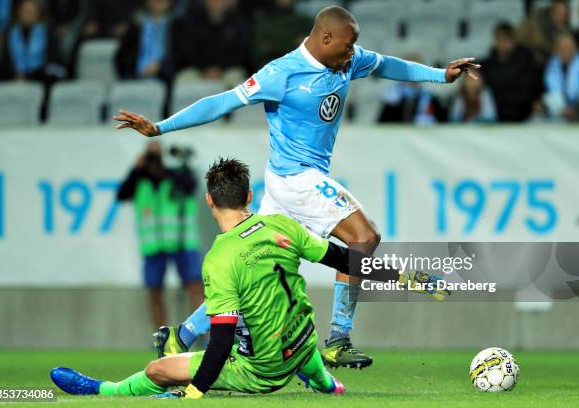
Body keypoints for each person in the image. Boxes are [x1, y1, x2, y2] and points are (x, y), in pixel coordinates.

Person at [113, 6, 474, 369]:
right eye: (348, 46)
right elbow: (222, 102)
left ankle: (180, 335)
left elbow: (386, 65)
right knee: (364, 238)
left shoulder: (347, 60)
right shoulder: (281, 73)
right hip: (296, 178)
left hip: (283, 183)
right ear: (325, 38)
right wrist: (161, 127)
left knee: (258, 267)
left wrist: (441, 75)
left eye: (355, 47)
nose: (353, 54)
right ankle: (338, 338)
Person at [50, 157, 351, 399]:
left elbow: (220, 342)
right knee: (286, 326)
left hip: (262, 369)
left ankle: (103, 388)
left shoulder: (220, 259)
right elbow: (344, 260)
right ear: (249, 196)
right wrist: (396, 275)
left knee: (158, 369)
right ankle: (328, 384)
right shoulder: (282, 226)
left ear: (209, 201)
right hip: (301, 344)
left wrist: (193, 392)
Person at [116, 141, 203, 329]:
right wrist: (136, 168)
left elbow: (191, 185)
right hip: (153, 247)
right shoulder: (140, 181)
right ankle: (161, 338)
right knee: (154, 292)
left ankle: (204, 337)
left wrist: (166, 169)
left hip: (182, 243)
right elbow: (121, 194)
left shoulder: (176, 177)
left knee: (195, 287)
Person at [481, 22, 541, 122]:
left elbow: (531, 88)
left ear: (513, 41)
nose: (502, 43)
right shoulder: (487, 64)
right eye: (499, 39)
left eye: (506, 39)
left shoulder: (526, 60)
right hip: (496, 114)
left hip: (524, 113)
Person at [0, 0, 64, 82]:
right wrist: (16, 74)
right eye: (24, 11)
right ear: (18, 13)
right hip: (14, 75)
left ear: (38, 13)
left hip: (40, 75)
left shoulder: (47, 31)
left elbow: (53, 58)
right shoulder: (10, 32)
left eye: (30, 11)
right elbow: (5, 60)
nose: (27, 14)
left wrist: (29, 76)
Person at [115, 0, 175, 81]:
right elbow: (121, 59)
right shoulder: (136, 25)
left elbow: (181, 58)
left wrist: (160, 67)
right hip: (136, 79)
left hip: (167, 79)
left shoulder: (177, 26)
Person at [543, 31, 579, 119]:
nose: (565, 51)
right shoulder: (546, 66)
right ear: (556, 50)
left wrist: (575, 109)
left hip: (578, 113)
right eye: (562, 48)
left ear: (575, 49)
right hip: (553, 112)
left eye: (568, 48)